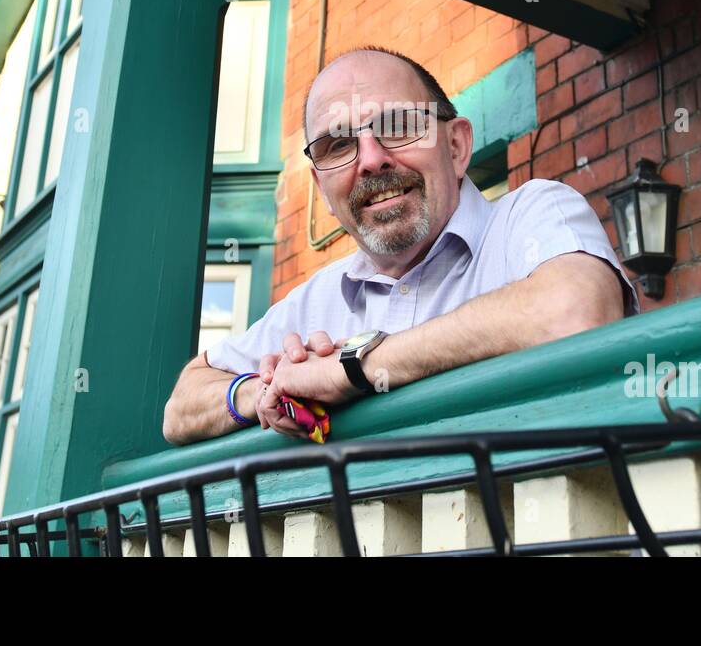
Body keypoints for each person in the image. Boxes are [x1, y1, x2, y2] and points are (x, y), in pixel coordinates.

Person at [162, 46, 637, 445]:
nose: (370, 159)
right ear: (322, 189)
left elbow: (578, 311)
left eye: (399, 125)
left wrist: (351, 368)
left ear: (455, 146)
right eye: (337, 146)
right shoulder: (315, 301)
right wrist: (262, 392)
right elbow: (181, 406)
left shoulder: (531, 215)